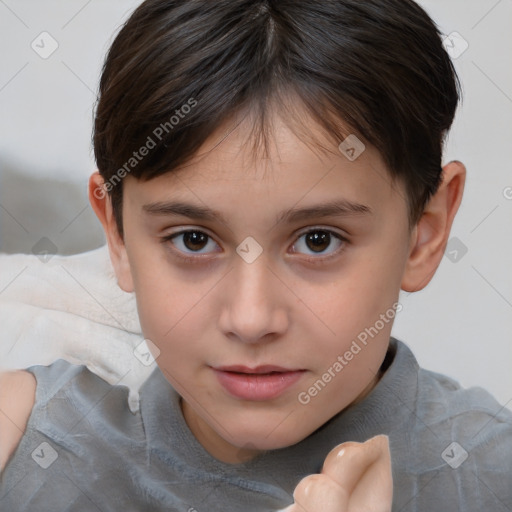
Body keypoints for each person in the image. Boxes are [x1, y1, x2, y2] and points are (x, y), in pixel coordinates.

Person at [1, 0, 511, 510]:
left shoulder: (490, 478)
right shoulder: (23, 445)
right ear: (118, 235)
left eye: (318, 240)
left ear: (425, 231)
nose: (250, 319)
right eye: (193, 240)